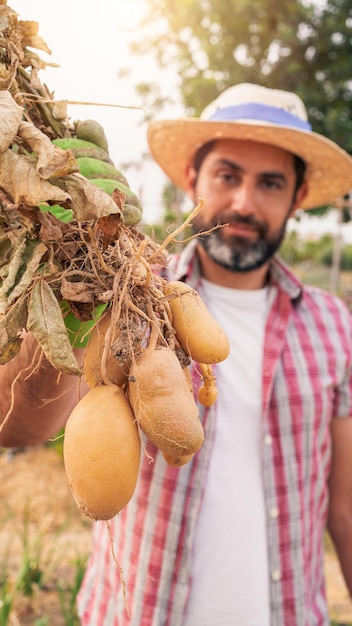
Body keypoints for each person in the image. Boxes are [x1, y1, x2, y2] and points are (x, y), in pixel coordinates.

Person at [1, 82, 352, 626]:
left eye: (271, 183)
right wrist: (71, 285)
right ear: (193, 180)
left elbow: (346, 506)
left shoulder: (337, 326)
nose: (243, 202)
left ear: (297, 197)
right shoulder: (125, 292)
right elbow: (19, 430)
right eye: (228, 176)